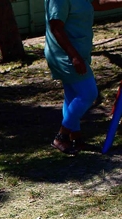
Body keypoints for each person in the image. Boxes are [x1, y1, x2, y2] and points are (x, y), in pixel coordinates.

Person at [45, 0, 122, 154]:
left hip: (79, 52)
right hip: (66, 55)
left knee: (72, 95)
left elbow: (97, 4)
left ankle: (77, 139)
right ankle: (61, 136)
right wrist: (74, 56)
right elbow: (56, 27)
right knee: (88, 93)